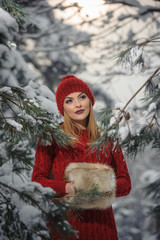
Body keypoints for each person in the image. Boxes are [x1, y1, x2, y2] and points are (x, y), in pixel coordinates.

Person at [32, 75, 131, 240]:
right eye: (69, 101)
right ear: (62, 107)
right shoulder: (51, 138)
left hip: (103, 229)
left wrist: (98, 186)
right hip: (65, 227)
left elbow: (126, 184)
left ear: (90, 100)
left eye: (82, 97)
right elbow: (38, 181)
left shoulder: (108, 137)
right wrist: (69, 188)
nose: (77, 104)